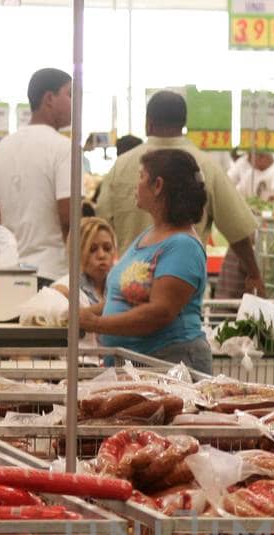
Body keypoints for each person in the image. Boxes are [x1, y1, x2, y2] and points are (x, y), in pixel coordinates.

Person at [96, 90, 264, 295]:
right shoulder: (205, 165)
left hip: (128, 290)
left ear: (148, 123)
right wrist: (254, 274)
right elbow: (238, 229)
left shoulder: (121, 166)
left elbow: (100, 223)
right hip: (182, 292)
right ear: (184, 124)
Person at [80, 149, 211, 374]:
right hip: (134, 366)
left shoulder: (182, 246)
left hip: (168, 365)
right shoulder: (150, 234)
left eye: (141, 176)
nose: (136, 184)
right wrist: (90, 312)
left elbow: (160, 312)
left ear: (157, 185)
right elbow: (124, 296)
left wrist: (97, 324)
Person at [0, 68, 75, 281]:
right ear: (49, 98)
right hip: (54, 272)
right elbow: (68, 217)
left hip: (10, 273)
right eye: (69, 94)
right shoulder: (63, 148)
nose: (74, 103)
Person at [52, 216, 118, 311]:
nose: (102, 255)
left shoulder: (124, 284)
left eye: (107, 248)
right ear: (76, 253)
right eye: (92, 249)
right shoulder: (63, 290)